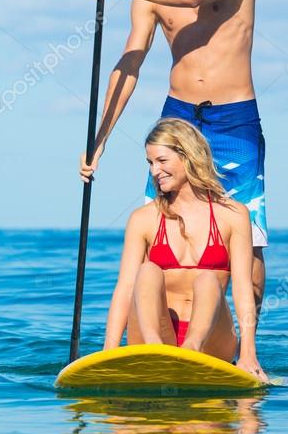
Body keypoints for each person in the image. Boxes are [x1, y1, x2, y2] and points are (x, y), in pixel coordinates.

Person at [80, 0, 268, 328]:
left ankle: (244, 342)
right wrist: (98, 140)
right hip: (178, 117)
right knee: (161, 227)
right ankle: (158, 335)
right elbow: (130, 64)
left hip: (233, 118)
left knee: (247, 235)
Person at [105, 118, 266, 381]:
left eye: (162, 161)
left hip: (212, 340)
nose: (155, 171)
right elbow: (124, 290)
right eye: (150, 163)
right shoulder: (143, 219)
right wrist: (108, 353)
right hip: (152, 334)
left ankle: (191, 350)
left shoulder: (234, 215)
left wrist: (248, 353)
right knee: (146, 271)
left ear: (187, 156)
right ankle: (155, 351)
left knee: (207, 280)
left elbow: (242, 289)